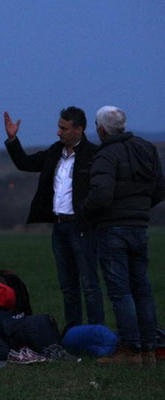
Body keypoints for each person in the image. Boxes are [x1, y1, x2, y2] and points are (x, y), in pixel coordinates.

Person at [4, 107, 105, 327]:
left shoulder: (94, 155)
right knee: (68, 286)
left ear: (79, 129)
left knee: (89, 285)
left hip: (82, 228)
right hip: (59, 228)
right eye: (59, 127)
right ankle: (73, 333)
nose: (58, 133)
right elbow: (26, 163)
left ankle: (96, 334)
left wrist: (87, 215)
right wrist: (12, 139)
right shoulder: (54, 152)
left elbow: (101, 192)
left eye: (64, 128)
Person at [82, 106, 165, 365]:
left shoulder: (106, 155)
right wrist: (139, 209)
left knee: (121, 292)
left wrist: (84, 212)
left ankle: (130, 350)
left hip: (113, 230)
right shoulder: (147, 148)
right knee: (142, 289)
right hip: (140, 228)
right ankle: (149, 350)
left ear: (101, 129)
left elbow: (102, 194)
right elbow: (160, 189)